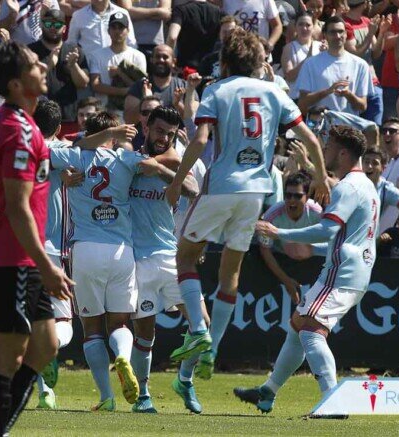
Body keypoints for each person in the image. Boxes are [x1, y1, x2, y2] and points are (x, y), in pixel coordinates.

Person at [164, 28, 329, 379]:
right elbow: (311, 138)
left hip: (222, 184)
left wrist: (178, 180)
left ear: (225, 61)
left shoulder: (217, 89)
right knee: (231, 273)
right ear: (257, 61)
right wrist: (323, 178)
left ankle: (199, 332)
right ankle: (213, 347)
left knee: (185, 256)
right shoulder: (274, 92)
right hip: (257, 192)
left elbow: (201, 139)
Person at [237, 125, 379, 413]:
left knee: (312, 332)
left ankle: (334, 402)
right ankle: (267, 392)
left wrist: (280, 233)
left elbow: (328, 230)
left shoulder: (349, 186)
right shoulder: (364, 184)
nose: (324, 151)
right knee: (298, 326)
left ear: (341, 152)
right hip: (348, 270)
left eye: (327, 147)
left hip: (343, 272)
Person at [0, 41, 73, 436]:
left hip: (22, 257)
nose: (43, 66)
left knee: (46, 344)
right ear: (17, 84)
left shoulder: (22, 122)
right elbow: (17, 207)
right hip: (12, 258)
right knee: (6, 356)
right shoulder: (17, 130)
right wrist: (47, 264)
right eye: (35, 64)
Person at [49, 111, 165, 412]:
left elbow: (45, 153)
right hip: (121, 250)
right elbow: (153, 166)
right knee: (120, 323)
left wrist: (65, 176)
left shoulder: (75, 157)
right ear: (114, 135)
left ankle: (106, 397)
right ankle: (123, 356)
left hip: (85, 248)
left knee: (91, 329)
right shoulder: (125, 160)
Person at [126, 106, 200, 414]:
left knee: (200, 325)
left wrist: (164, 171)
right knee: (145, 332)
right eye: (159, 131)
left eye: (170, 134)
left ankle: (184, 379)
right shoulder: (129, 160)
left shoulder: (173, 163)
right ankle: (143, 394)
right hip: (136, 257)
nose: (164, 138)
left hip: (169, 254)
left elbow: (193, 189)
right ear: (146, 128)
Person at [29, 100, 76, 411]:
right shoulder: (58, 152)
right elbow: (87, 156)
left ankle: (46, 392)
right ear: (59, 129)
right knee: (64, 323)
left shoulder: (19, 150)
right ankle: (52, 347)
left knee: (33, 323)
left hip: (19, 248)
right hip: (51, 252)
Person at [258, 172, 323, 303]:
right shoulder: (271, 217)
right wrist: (286, 281)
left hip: (311, 263)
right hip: (280, 262)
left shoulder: (317, 213)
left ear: (307, 196)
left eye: (298, 196)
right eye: (288, 195)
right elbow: (265, 250)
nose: (292, 200)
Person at [296, 15, 371, 115]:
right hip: (319, 126)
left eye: (341, 32)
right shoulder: (310, 64)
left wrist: (348, 94)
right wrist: (328, 91)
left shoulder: (360, 65)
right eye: (333, 32)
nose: (337, 36)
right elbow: (302, 104)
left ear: (346, 34)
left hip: (348, 127)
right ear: (325, 35)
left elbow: (363, 106)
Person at [28, 9, 90, 123]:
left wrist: (74, 66)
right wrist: (49, 64)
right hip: (38, 118)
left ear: (64, 28)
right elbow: (26, 83)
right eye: (48, 23)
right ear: (41, 25)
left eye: (57, 24)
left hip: (68, 118)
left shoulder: (75, 51)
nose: (52, 27)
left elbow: (83, 83)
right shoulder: (30, 51)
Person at [88, 12, 147, 114]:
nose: (117, 31)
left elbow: (141, 87)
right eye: (114, 27)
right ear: (108, 31)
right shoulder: (96, 55)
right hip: (103, 112)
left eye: (121, 28)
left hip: (130, 112)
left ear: (128, 31)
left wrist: (121, 73)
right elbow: (96, 85)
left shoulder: (138, 56)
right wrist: (123, 91)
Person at [123, 44, 194, 124]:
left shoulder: (185, 86)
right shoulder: (139, 86)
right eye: (157, 57)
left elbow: (192, 121)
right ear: (151, 60)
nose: (161, 60)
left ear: (174, 62)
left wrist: (177, 104)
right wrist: (146, 100)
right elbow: (129, 120)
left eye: (165, 57)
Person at [362, 145, 399, 233]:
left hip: (368, 243)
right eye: (366, 162)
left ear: (383, 168)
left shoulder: (386, 189)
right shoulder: (351, 182)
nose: (369, 166)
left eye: (375, 163)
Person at [166, 0, 226, 69]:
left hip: (185, 69)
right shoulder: (219, 12)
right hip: (210, 68)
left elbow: (172, 37)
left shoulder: (180, 10)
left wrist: (170, 61)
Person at [65, 0, 137, 53]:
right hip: (88, 68)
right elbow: (71, 44)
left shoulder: (122, 13)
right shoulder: (78, 16)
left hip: (116, 68)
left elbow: (131, 43)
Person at [281, 11, 324, 99]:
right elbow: (289, 76)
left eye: (308, 25)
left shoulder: (321, 46)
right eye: (301, 24)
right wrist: (307, 60)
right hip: (296, 97)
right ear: (295, 27)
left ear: (313, 27)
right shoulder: (289, 48)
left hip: (317, 97)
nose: (304, 28)